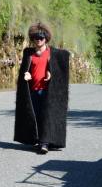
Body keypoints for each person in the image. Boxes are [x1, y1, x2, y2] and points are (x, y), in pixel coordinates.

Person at [14, 22, 70, 154]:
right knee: (36, 116)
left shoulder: (53, 54)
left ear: (46, 38)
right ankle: (39, 140)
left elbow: (64, 61)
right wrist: (26, 75)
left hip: (48, 91)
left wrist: (52, 72)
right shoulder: (29, 54)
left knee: (47, 116)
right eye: (35, 38)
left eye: (41, 38)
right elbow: (25, 70)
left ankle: (44, 143)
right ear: (32, 38)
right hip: (33, 91)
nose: (38, 40)